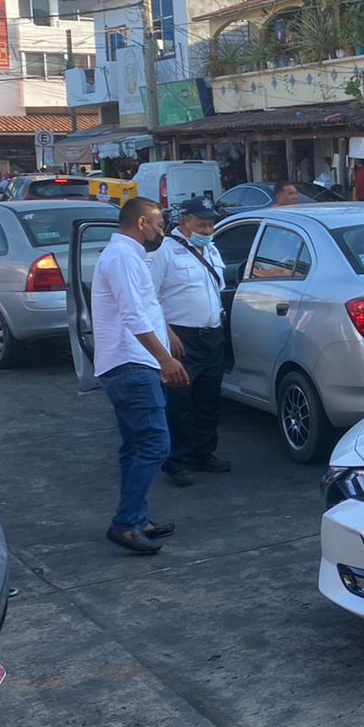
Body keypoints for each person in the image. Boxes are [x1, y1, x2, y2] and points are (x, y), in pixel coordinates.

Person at [92, 197, 189, 555]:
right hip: (130, 364)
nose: (162, 230)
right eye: (159, 223)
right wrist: (165, 359)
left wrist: (167, 336)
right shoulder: (121, 258)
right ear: (142, 223)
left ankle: (136, 517)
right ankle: (126, 523)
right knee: (154, 444)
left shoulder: (130, 257)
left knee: (135, 446)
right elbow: (133, 316)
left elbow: (146, 308)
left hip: (131, 362)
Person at [152, 199, 231, 489]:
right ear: (184, 222)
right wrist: (167, 333)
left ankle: (204, 453)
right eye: (201, 225)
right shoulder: (164, 251)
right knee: (179, 403)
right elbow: (150, 296)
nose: (208, 229)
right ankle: (177, 462)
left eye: (210, 224)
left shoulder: (209, 248)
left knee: (208, 400)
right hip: (181, 338)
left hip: (210, 334)